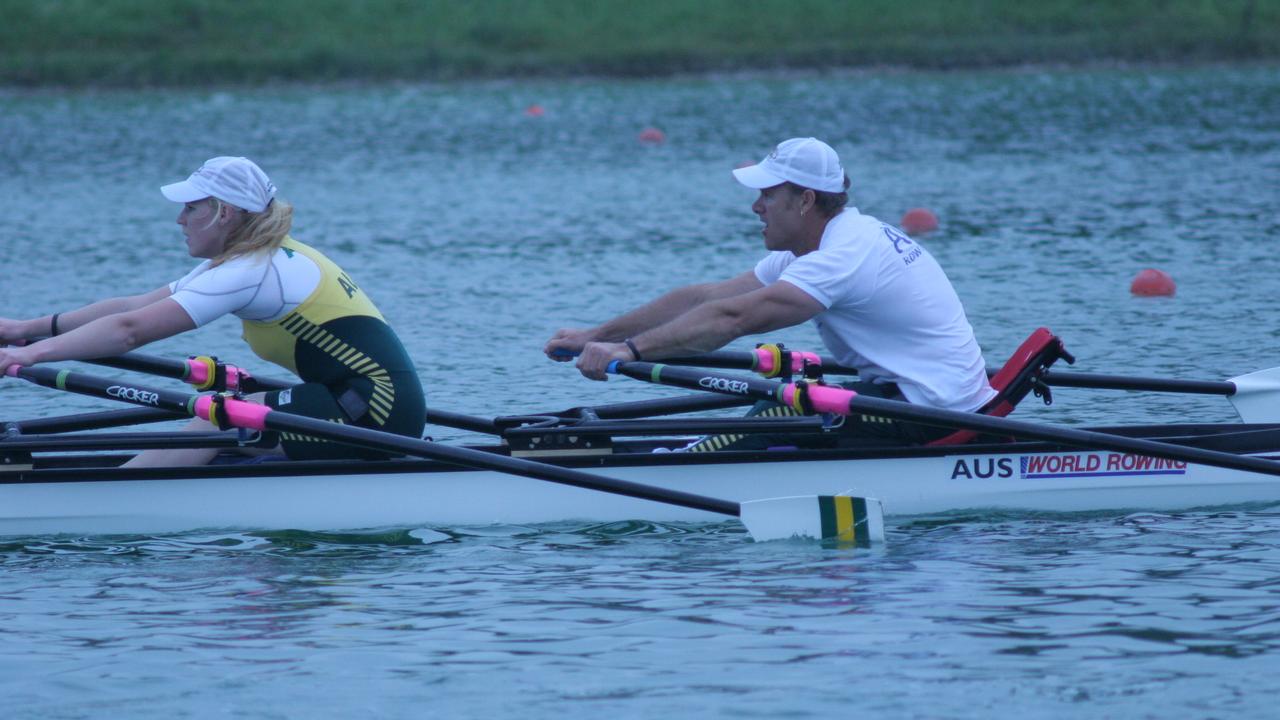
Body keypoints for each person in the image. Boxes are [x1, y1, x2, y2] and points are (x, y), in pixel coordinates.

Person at [543, 137, 995, 449]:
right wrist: (595, 334)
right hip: (908, 395)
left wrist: (627, 349)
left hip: (936, 414)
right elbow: (706, 299)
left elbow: (733, 319)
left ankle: (675, 467)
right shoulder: (822, 243)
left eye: (768, 194)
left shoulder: (844, 256)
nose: (756, 206)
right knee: (778, 401)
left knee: (775, 414)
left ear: (804, 201)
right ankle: (694, 459)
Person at [0, 156, 425, 466]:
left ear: (224, 213)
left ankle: (107, 503)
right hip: (353, 402)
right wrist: (25, 329)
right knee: (229, 414)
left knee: (218, 419)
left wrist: (30, 355)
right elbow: (132, 306)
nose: (180, 220)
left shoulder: (251, 270)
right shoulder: (250, 259)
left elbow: (129, 331)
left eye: (191, 207)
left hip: (374, 410)